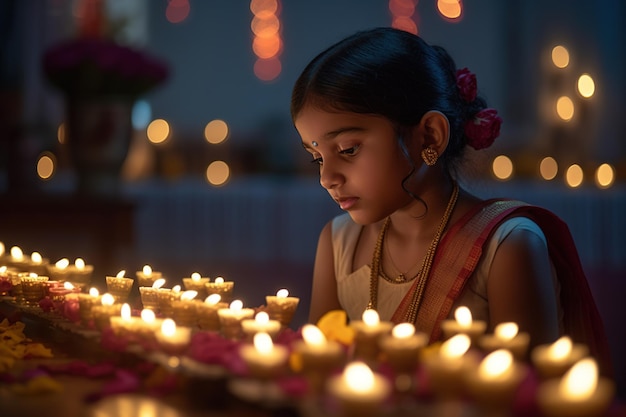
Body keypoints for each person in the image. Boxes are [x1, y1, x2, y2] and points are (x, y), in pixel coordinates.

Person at [290, 27, 612, 376]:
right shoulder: (339, 244)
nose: (327, 178)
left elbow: (527, 397)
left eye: (348, 150)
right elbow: (319, 381)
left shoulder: (506, 247)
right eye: (317, 157)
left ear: (430, 134)